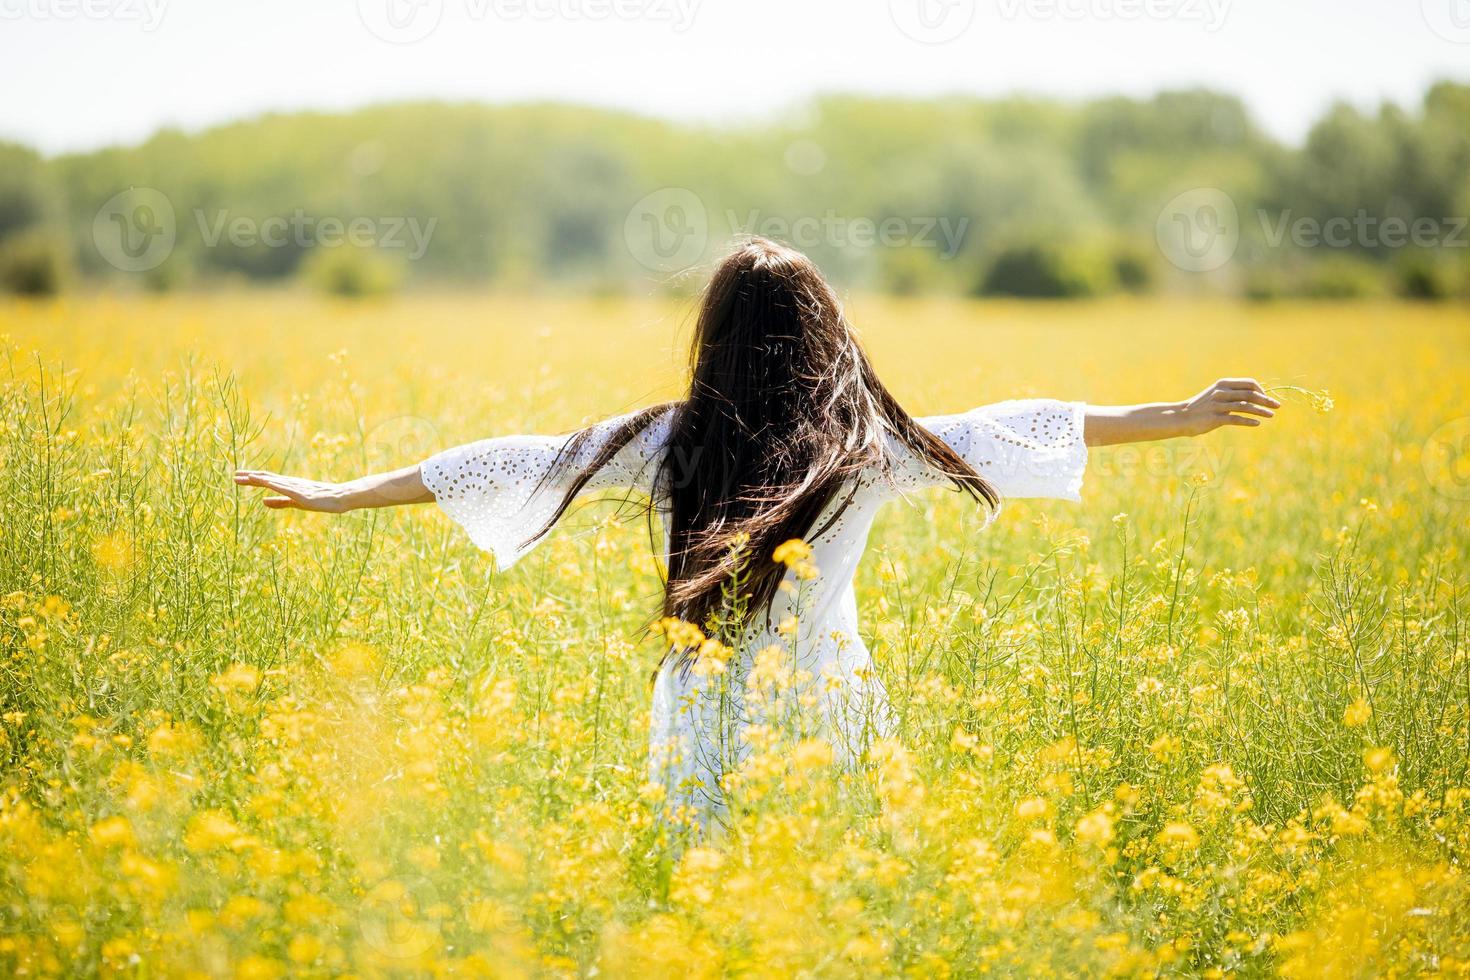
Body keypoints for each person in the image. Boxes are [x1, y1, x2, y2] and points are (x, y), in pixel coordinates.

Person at [234, 237, 1279, 825]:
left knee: (711, 891)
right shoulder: (872, 444)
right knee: (842, 886)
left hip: (701, 700)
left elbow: (510, 458)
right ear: (828, 332)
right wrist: (1179, 414)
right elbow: (1011, 425)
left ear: (715, 337)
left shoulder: (669, 439)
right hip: (832, 698)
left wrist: (335, 492)